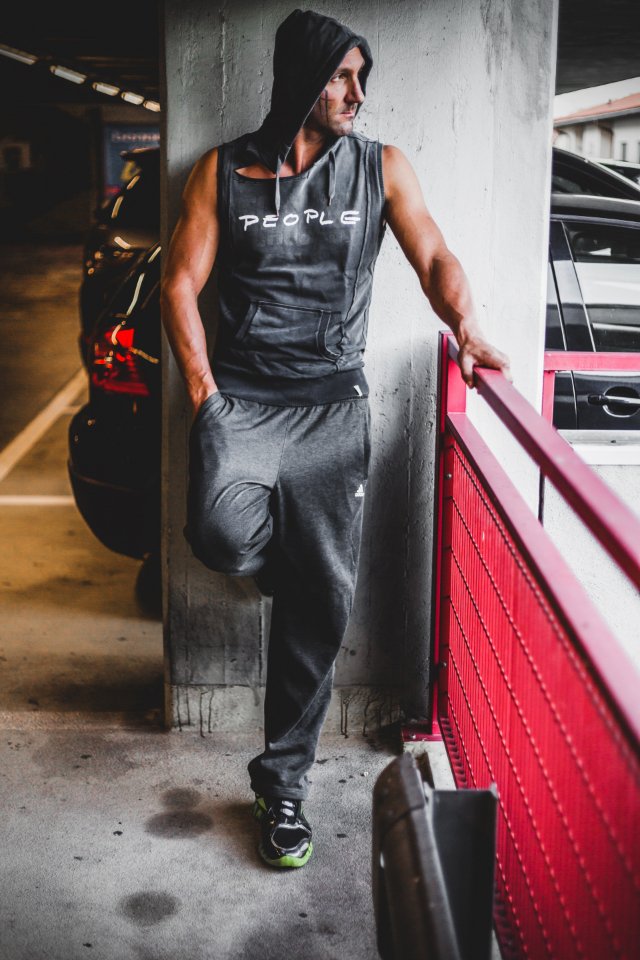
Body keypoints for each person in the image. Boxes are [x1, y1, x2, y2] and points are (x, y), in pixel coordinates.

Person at [160, 8, 510, 870]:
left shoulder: (379, 168)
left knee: (320, 605)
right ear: (301, 79)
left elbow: (433, 256)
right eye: (341, 76)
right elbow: (178, 283)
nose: (355, 93)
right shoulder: (221, 171)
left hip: (331, 410)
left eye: (363, 78)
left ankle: (282, 789)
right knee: (218, 530)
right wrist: (206, 398)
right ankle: (289, 558)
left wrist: (465, 325)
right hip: (241, 402)